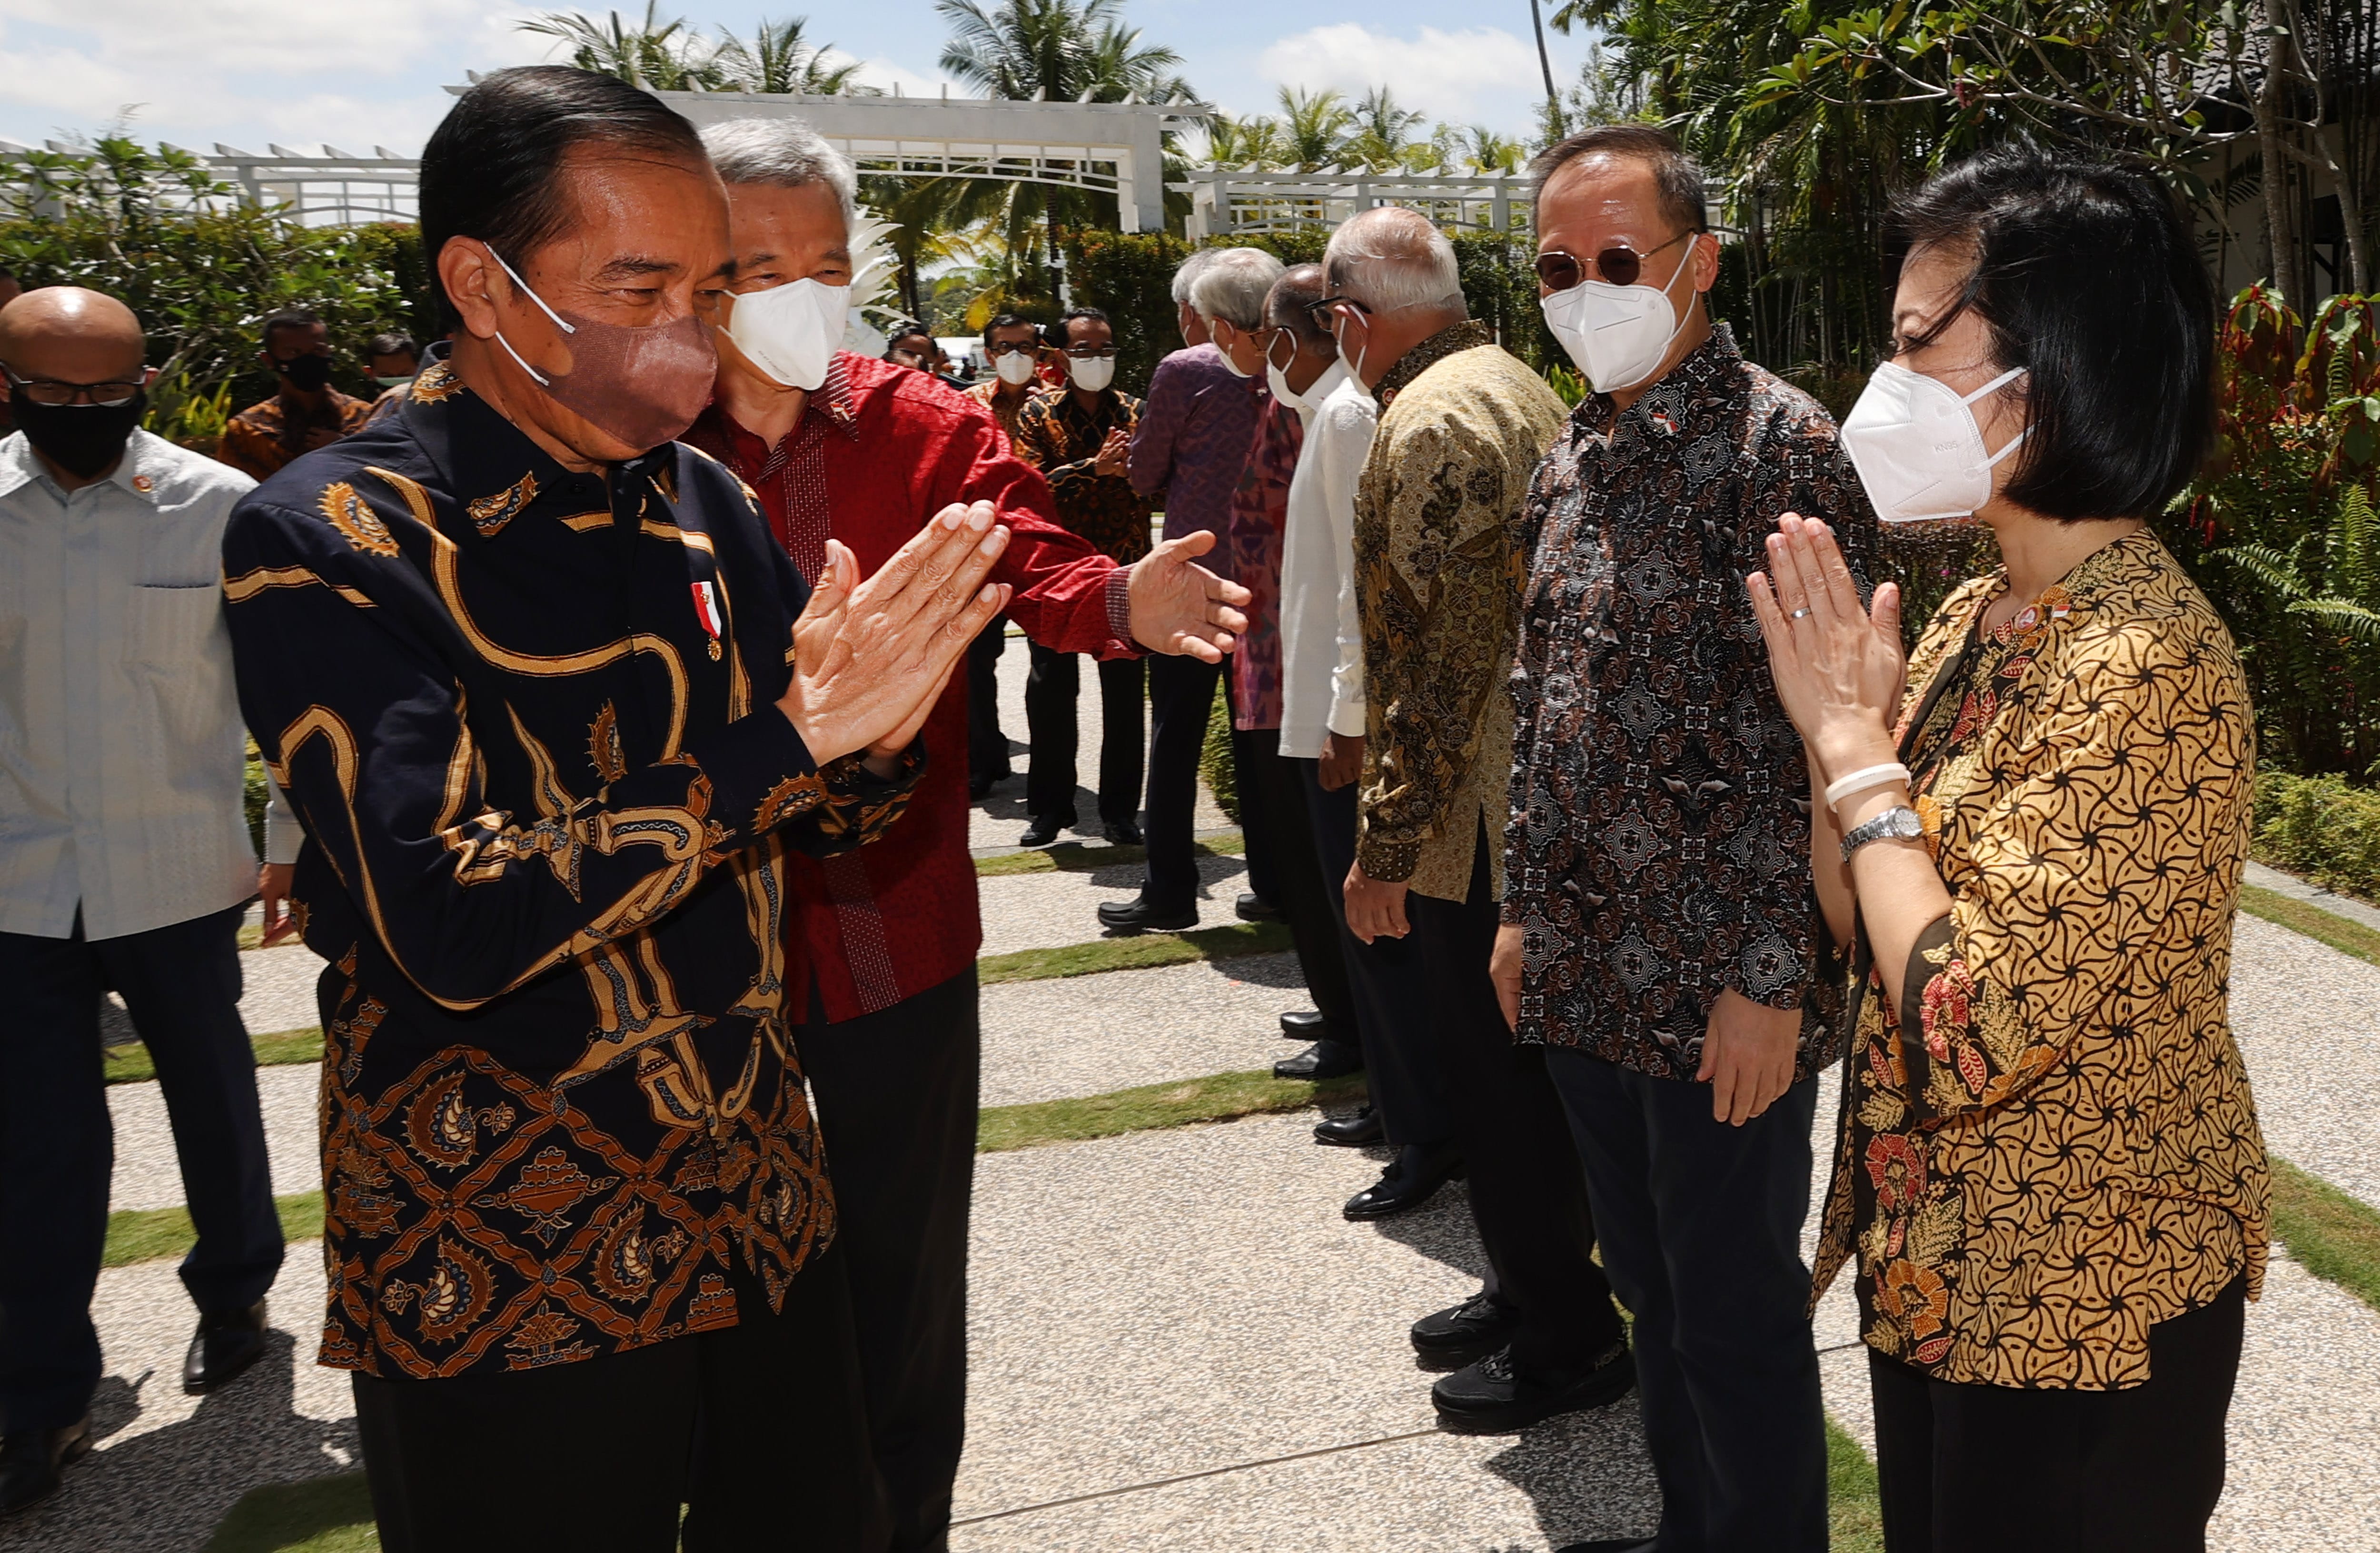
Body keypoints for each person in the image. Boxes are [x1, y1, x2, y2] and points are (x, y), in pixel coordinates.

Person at [219, 68, 1017, 1551]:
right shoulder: (333, 534)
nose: (689, 327)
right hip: (513, 1241)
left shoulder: (696, 503)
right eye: (638, 284)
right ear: (483, 280)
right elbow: (451, 915)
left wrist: (878, 731)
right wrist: (793, 741)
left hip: (759, 1200)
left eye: (707, 286)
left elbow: (816, 806)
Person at [682, 114, 1248, 1553]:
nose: (799, 292)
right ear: (691, 271)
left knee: (897, 1274)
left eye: (825, 259)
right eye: (759, 264)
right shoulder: (629, 438)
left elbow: (1029, 554)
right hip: (677, 946)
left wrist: (1120, 601)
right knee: (711, 1280)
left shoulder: (920, 421)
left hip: (891, 919)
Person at [1750, 148, 2267, 1553]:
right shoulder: (1977, 611)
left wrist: (1862, 763)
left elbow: (1963, 1025)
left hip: (2079, 1293)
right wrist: (1832, 750)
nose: (1885, 377)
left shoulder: (2145, 661)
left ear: (2049, 369)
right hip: (1937, 1259)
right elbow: (1862, 925)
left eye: (1920, 343)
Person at [1490, 125, 1877, 1553]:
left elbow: (1823, 739)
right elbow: (1540, 707)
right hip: (1588, 973)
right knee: (1650, 1297)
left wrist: (1774, 980)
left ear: (1697, 261)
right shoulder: (1568, 454)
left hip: (1722, 994)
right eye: (1553, 266)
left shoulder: (1785, 451)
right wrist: (1522, 912)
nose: (1582, 288)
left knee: (1731, 1320)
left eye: (1614, 260)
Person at [1328, 206, 1631, 1435]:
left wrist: (1386, 837)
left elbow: (1444, 657)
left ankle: (1565, 1335)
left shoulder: (1438, 414)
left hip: (1483, 817)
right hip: (1518, 798)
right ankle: (1529, 1289)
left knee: (1503, 1092)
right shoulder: (1505, 379)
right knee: (1518, 1087)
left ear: (1354, 320)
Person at [0, 286, 290, 1519]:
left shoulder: (218, 506)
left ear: (145, 386)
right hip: (16, 879)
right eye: (54, 394)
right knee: (38, 1145)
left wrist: (290, 837)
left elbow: (280, 687)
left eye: (105, 393)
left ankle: (235, 1290)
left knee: (212, 1095)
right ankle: (44, 1394)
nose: (82, 413)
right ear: (10, 385)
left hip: (174, 868)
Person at [1268, 264, 1462, 1216]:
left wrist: (1346, 719)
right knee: (1372, 943)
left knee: (1383, 941)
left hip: (1348, 719)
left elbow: (1363, 581)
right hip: (1327, 708)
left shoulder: (1349, 414)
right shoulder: (1331, 409)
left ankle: (1422, 1129)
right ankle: (1400, 1107)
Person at [1199, 257, 1362, 1083]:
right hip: (1272, 653)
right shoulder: (1294, 401)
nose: (1247, 346)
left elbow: (1346, 572)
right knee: (1302, 863)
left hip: (1301, 665)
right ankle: (1341, 1011)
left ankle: (1354, 1028)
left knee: (1325, 865)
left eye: (1259, 330)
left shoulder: (1332, 411)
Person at [1101, 247, 1275, 935]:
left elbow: (1144, 473)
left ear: (1206, 317)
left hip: (1191, 583)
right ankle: (1274, 883)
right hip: (1266, 581)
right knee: (1260, 743)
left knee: (1173, 739)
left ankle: (1170, 889)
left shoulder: (1185, 370)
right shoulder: (1296, 369)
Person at [1012, 306, 1153, 847]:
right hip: (1058, 573)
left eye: (1105, 348)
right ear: (1061, 357)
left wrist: (1135, 471)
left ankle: (1119, 811)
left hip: (1123, 572)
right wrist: (1087, 470)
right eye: (1085, 349)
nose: (1097, 359)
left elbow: (1161, 483)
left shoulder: (1137, 412)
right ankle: (1050, 808)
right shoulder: (1037, 413)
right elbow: (1028, 485)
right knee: (1050, 690)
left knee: (1123, 697)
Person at [961, 312, 1047, 801]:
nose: (1015, 355)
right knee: (976, 662)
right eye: (1004, 346)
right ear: (989, 354)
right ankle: (983, 759)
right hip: (983, 552)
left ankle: (1048, 774)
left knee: (1046, 668)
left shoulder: (1054, 405)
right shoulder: (967, 405)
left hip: (1036, 553)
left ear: (1039, 351)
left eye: (1025, 345)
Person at [216, 309, 376, 480]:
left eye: (317, 351)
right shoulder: (247, 430)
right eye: (293, 352)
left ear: (329, 353)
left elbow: (392, 477)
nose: (308, 360)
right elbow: (230, 490)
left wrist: (345, 450)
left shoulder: (366, 417)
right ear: (269, 361)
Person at [361, 330, 423, 425]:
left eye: (404, 375)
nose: (397, 386)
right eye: (386, 376)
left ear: (420, 369)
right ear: (370, 373)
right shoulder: (359, 412)